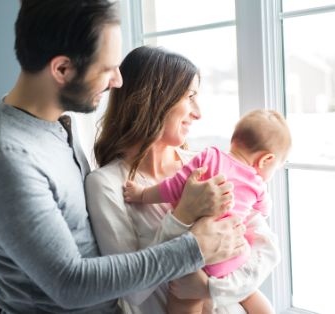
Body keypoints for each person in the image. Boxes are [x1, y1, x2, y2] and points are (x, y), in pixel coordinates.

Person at [0, 1, 247, 313]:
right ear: (62, 69)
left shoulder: (56, 124)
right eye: (107, 68)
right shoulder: (5, 158)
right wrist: (195, 246)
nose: (118, 81)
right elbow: (69, 284)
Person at [86, 45, 282, 314]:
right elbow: (130, 289)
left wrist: (215, 289)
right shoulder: (106, 185)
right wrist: (182, 215)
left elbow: (266, 246)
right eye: (189, 97)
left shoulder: (203, 163)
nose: (198, 112)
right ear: (154, 100)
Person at [123, 108, 291, 313]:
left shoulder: (209, 158)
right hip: (236, 253)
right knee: (251, 294)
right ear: (265, 160)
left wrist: (142, 195)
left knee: (184, 297)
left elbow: (174, 187)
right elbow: (264, 210)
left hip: (202, 253)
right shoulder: (257, 184)